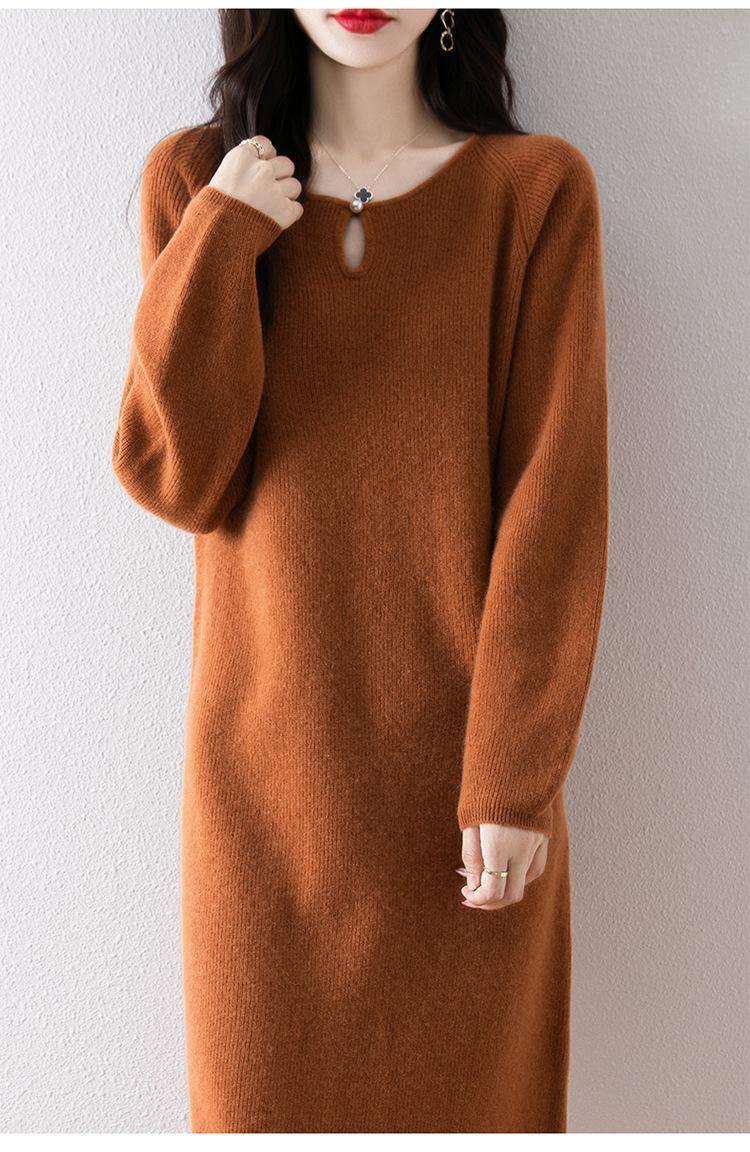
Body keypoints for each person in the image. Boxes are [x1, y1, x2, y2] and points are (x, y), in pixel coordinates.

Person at [111, 8, 609, 1135]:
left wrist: (512, 777)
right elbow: (176, 479)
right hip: (262, 808)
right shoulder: (196, 181)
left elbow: (555, 509)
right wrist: (225, 233)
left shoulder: (534, 194)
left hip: (465, 811)